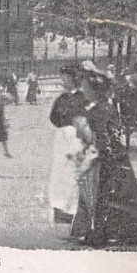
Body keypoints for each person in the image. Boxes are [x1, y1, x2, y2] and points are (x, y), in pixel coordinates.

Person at [70, 63, 137, 247]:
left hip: (109, 158)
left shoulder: (99, 110)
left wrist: (95, 155)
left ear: (95, 90)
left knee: (108, 197)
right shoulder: (102, 107)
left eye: (86, 88)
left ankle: (102, 233)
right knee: (115, 197)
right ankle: (101, 231)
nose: (83, 90)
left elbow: (104, 137)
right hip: (114, 157)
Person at [47, 64, 86, 224]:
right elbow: (53, 117)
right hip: (62, 138)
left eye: (66, 77)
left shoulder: (83, 98)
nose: (63, 80)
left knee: (74, 172)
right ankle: (60, 208)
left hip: (77, 138)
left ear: (74, 79)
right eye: (62, 77)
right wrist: (64, 128)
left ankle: (73, 209)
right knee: (59, 173)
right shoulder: (61, 99)